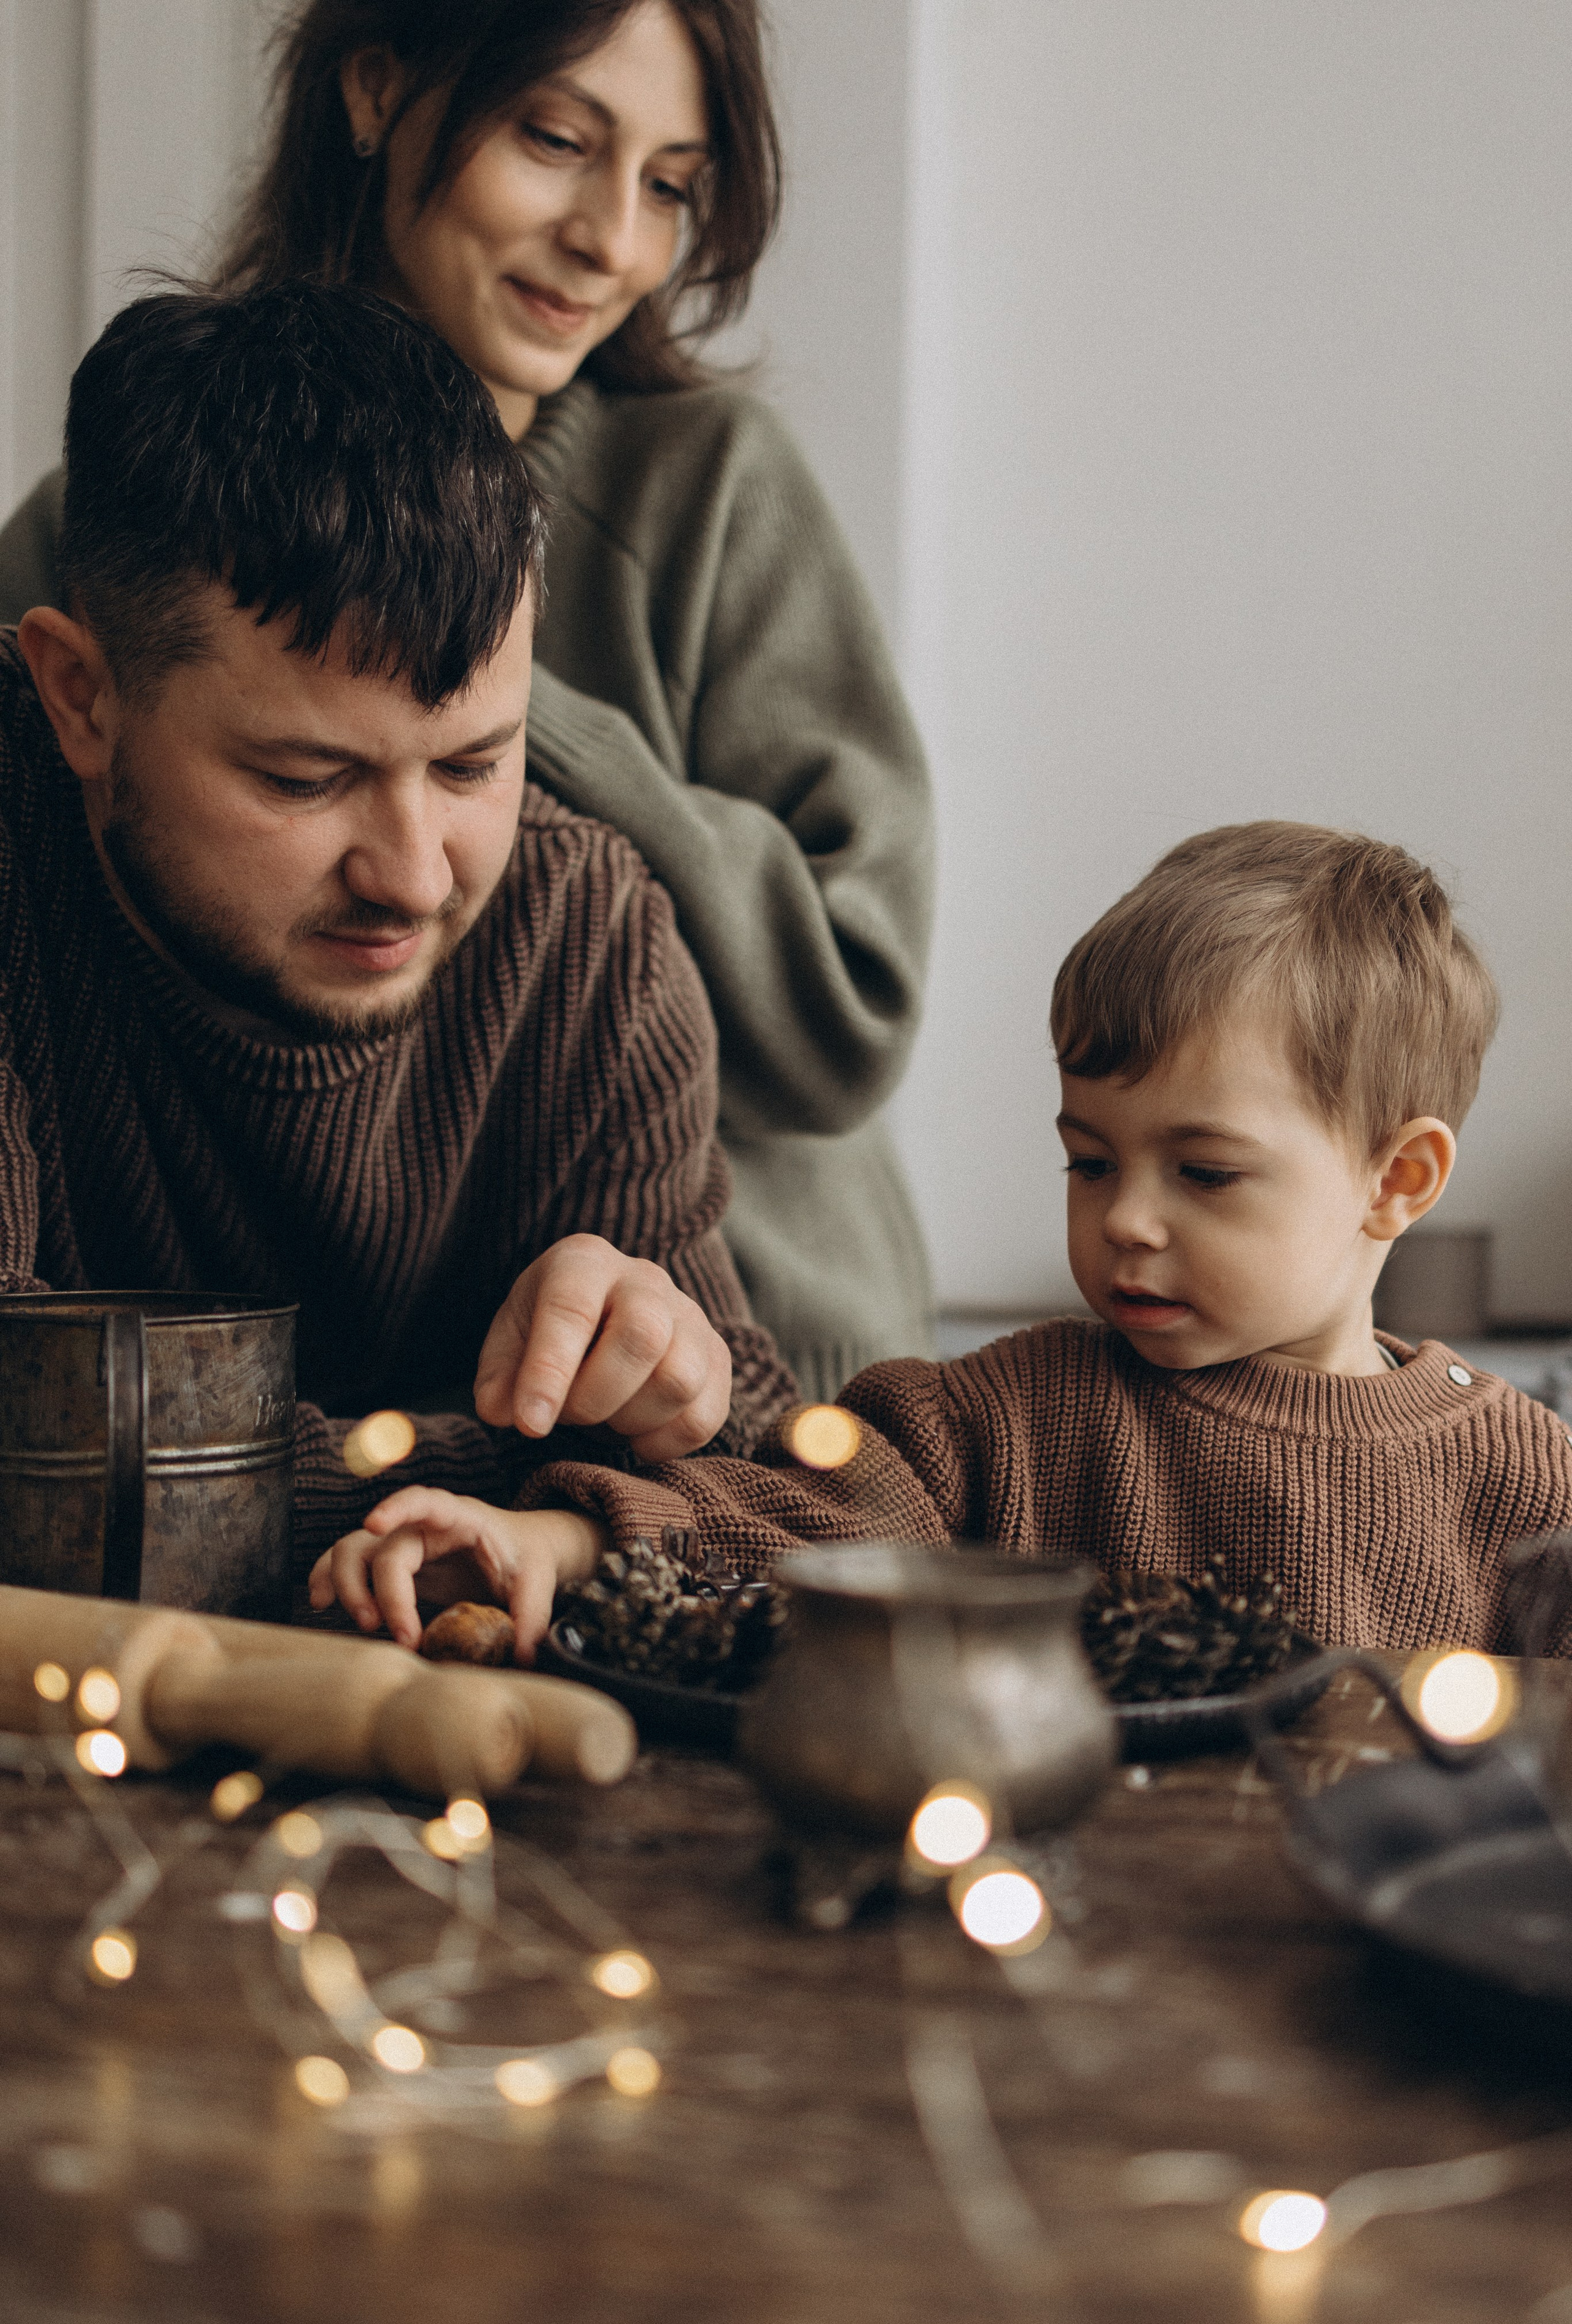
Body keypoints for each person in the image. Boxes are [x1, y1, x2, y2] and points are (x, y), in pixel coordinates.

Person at [0, 0, 936, 1402]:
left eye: (671, 186)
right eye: (556, 140)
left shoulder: (709, 486)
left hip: (746, 1343)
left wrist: (498, 686)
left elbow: (847, 1018)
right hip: (306, 1373)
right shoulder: (114, 513)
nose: (612, 240)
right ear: (376, 92)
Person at [316, 821, 1572, 1657]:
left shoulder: (1528, 1481)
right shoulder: (992, 1422)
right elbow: (775, 1525)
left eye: (1202, 1171)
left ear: (1393, 1178)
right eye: (1088, 1159)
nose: (1124, 1217)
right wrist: (558, 1542)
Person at [2, 278, 799, 1586]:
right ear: (81, 697)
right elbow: (41, 1490)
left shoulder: (583, 936)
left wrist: (672, 1384)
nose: (416, 877)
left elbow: (774, 1488)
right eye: (306, 779)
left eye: (476, 764)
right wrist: (522, 1468)